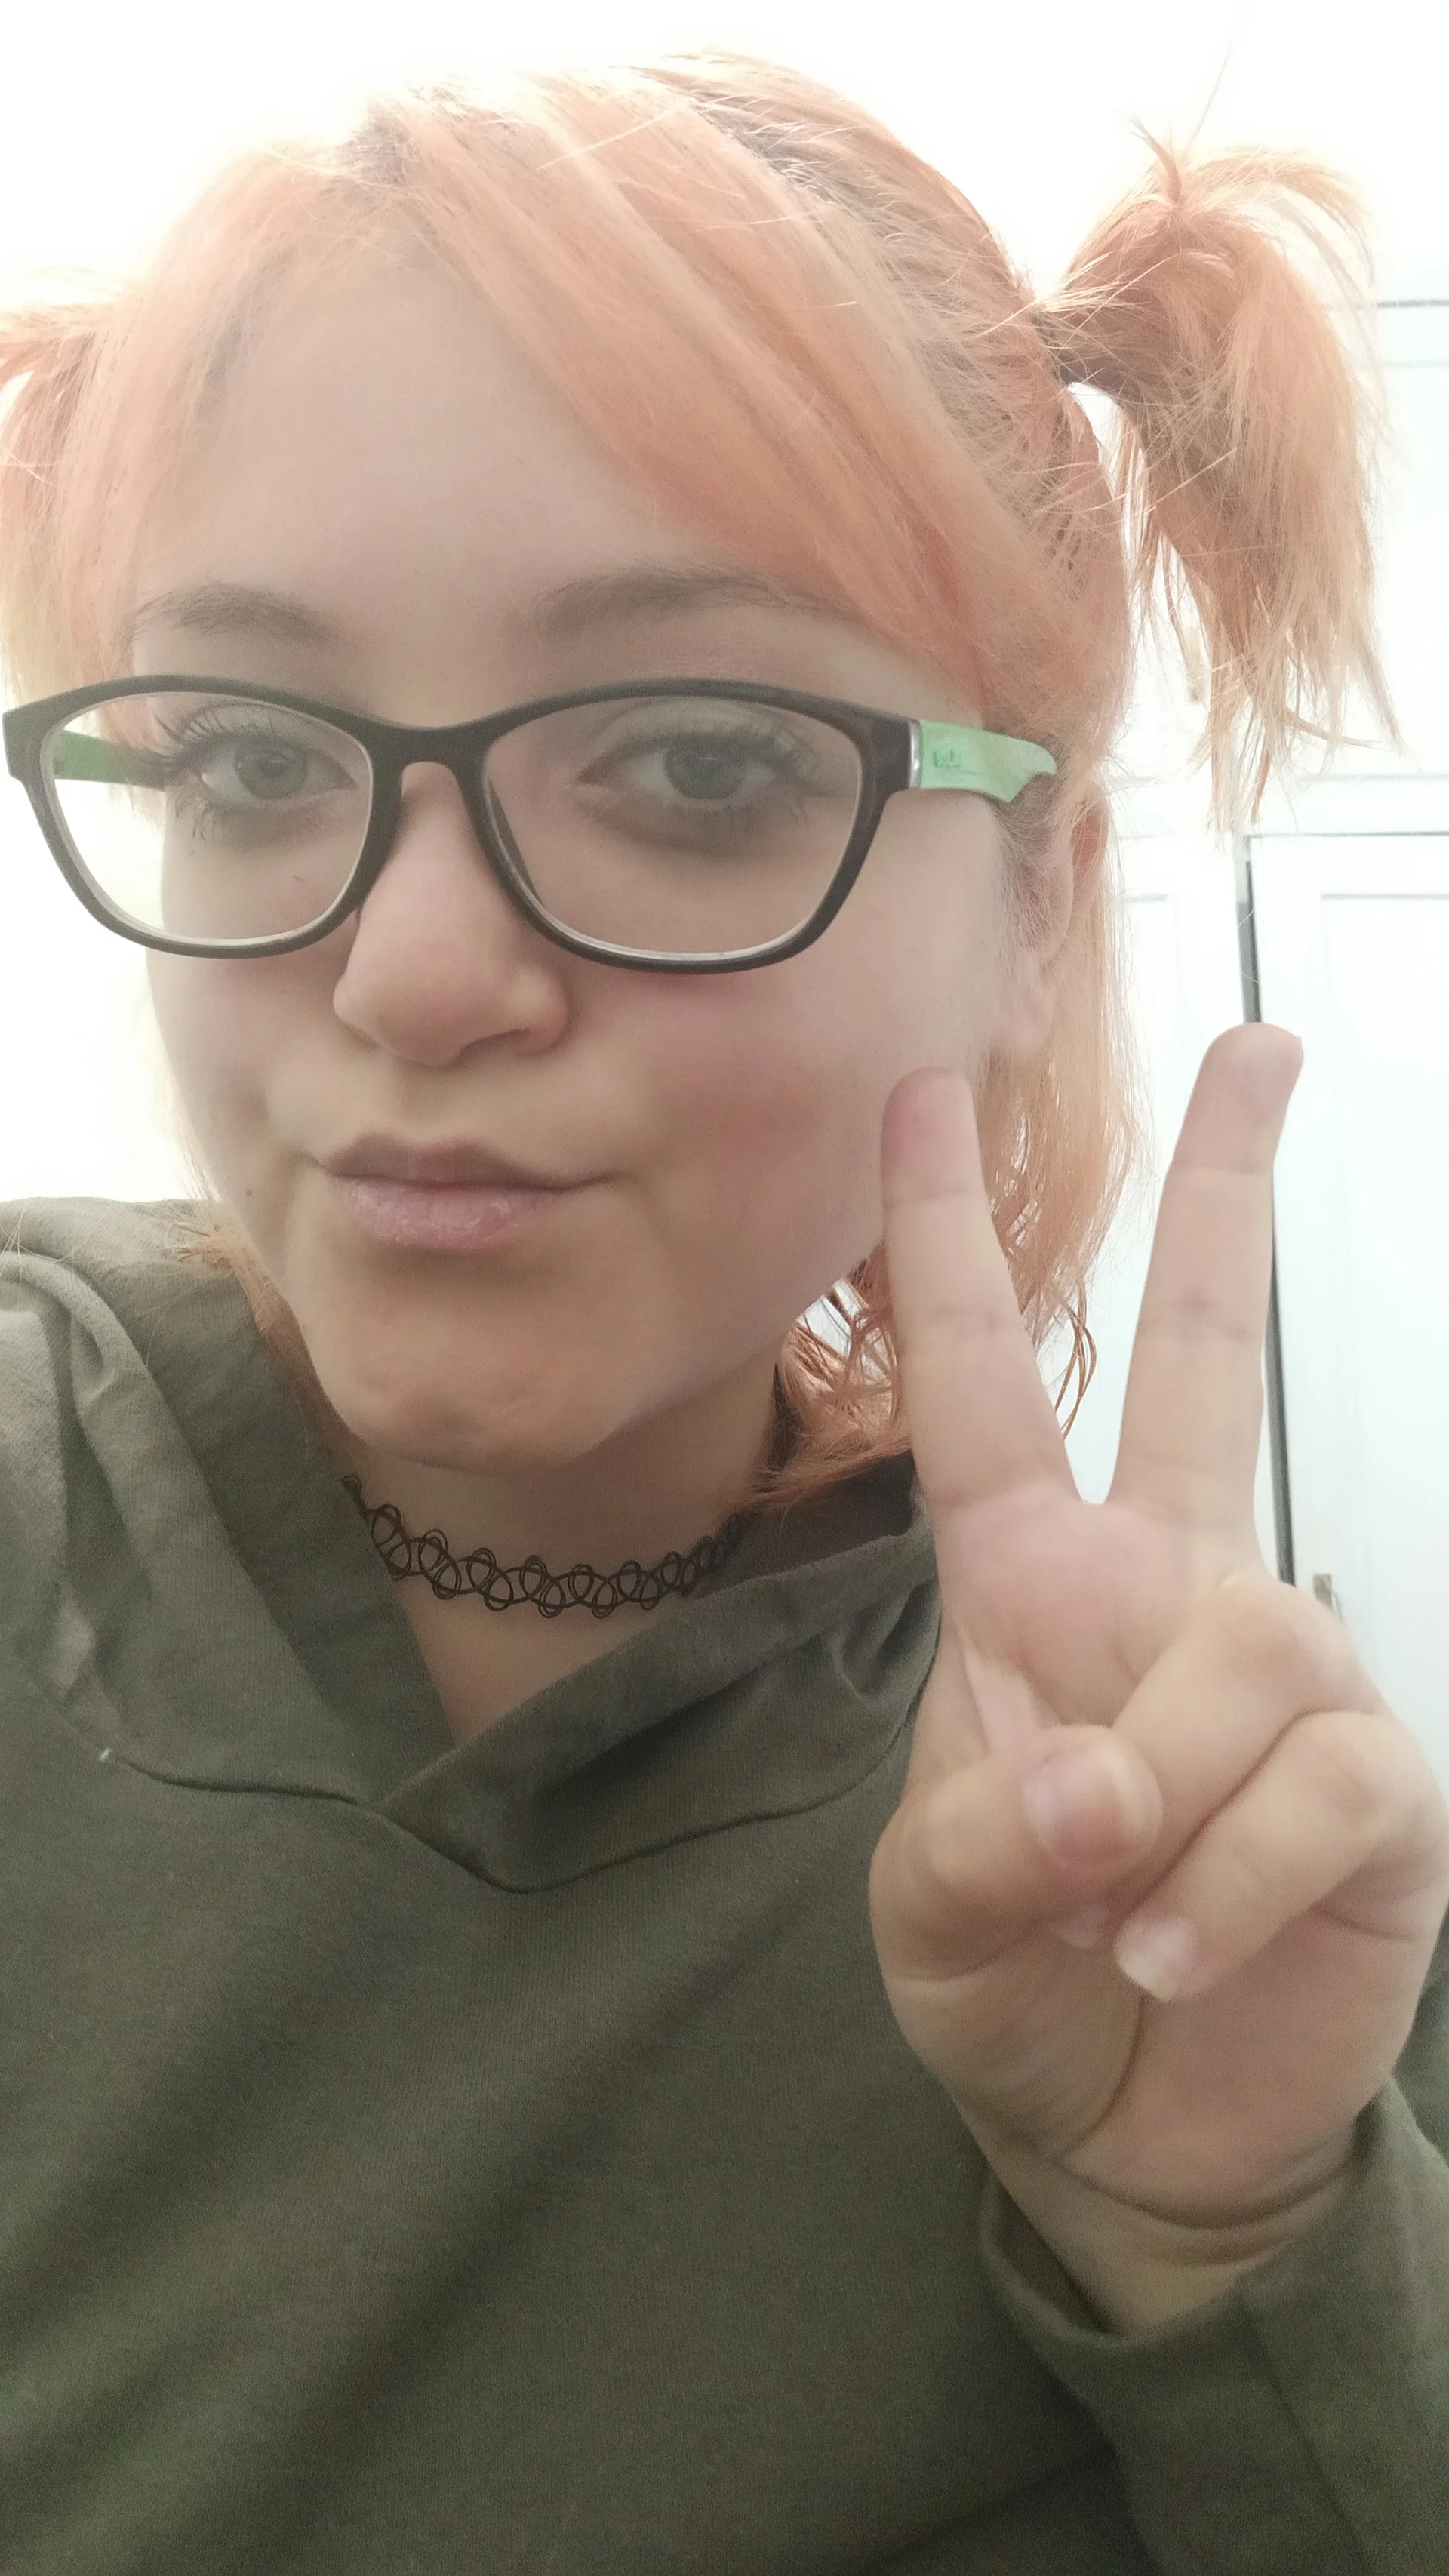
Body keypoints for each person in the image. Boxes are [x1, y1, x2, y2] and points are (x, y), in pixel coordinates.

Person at [0, 46, 1444, 2576]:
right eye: (243, 758)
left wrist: (1232, 2249)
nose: (410, 970)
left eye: (690, 765)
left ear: (1041, 899)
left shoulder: (1193, 1855)